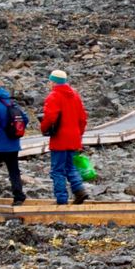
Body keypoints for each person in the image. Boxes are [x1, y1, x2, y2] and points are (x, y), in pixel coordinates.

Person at [41, 70, 90, 205]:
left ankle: (61, 199)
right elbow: (83, 119)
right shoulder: (75, 96)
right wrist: (79, 135)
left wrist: (44, 128)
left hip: (59, 138)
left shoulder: (54, 96)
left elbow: (50, 117)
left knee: (57, 170)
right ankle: (79, 190)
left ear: (53, 82)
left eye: (50, 81)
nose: (49, 83)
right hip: (74, 138)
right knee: (70, 167)